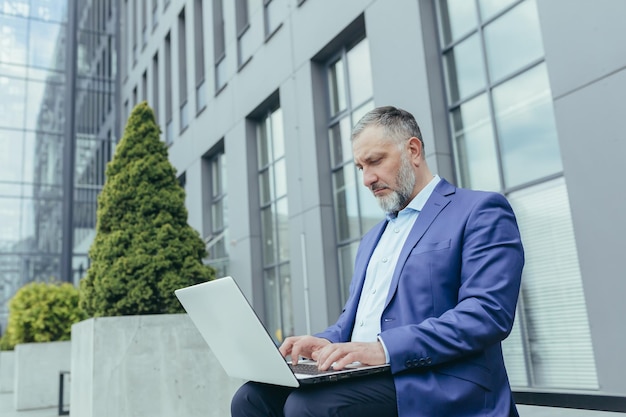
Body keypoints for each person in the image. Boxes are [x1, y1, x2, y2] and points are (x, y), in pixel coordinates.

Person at [231, 105, 524, 417]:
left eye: (375, 161)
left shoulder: (479, 210)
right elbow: (353, 324)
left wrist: (384, 349)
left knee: (311, 407)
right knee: (251, 398)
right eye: (360, 167)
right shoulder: (372, 238)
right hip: (366, 376)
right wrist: (321, 342)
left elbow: (486, 314)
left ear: (413, 150)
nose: (367, 179)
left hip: (437, 382)